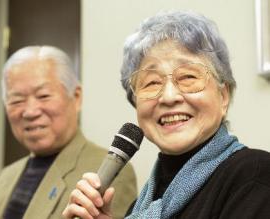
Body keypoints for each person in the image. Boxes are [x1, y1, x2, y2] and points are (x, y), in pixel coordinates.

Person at [62, 10, 270, 219]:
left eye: (188, 76)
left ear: (223, 97)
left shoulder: (255, 175)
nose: (169, 97)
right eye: (152, 82)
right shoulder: (141, 207)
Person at [0, 46, 137, 219]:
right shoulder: (4, 177)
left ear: (76, 97)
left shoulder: (107, 172)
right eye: (17, 100)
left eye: (43, 96)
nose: (30, 111)